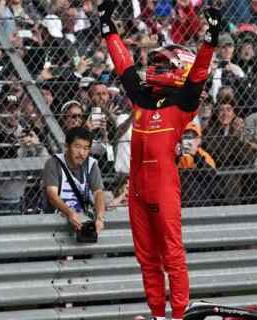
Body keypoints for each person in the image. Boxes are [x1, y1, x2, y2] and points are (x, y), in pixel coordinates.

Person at [98, 1, 221, 319]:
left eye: (164, 66)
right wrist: (107, 26)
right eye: (156, 65)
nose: (155, 70)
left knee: (172, 255)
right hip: (137, 190)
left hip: (164, 188)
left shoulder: (183, 103)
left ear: (178, 71)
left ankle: (179, 315)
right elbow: (123, 64)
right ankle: (157, 315)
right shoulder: (140, 98)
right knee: (146, 258)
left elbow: (200, 73)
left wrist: (210, 39)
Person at [41, 127, 106, 231]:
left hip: (82, 220)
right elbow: (51, 194)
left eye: (86, 148)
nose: (81, 153)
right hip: (55, 221)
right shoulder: (53, 163)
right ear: (67, 146)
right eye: (77, 146)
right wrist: (69, 213)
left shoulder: (91, 164)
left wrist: (99, 218)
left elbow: (98, 192)